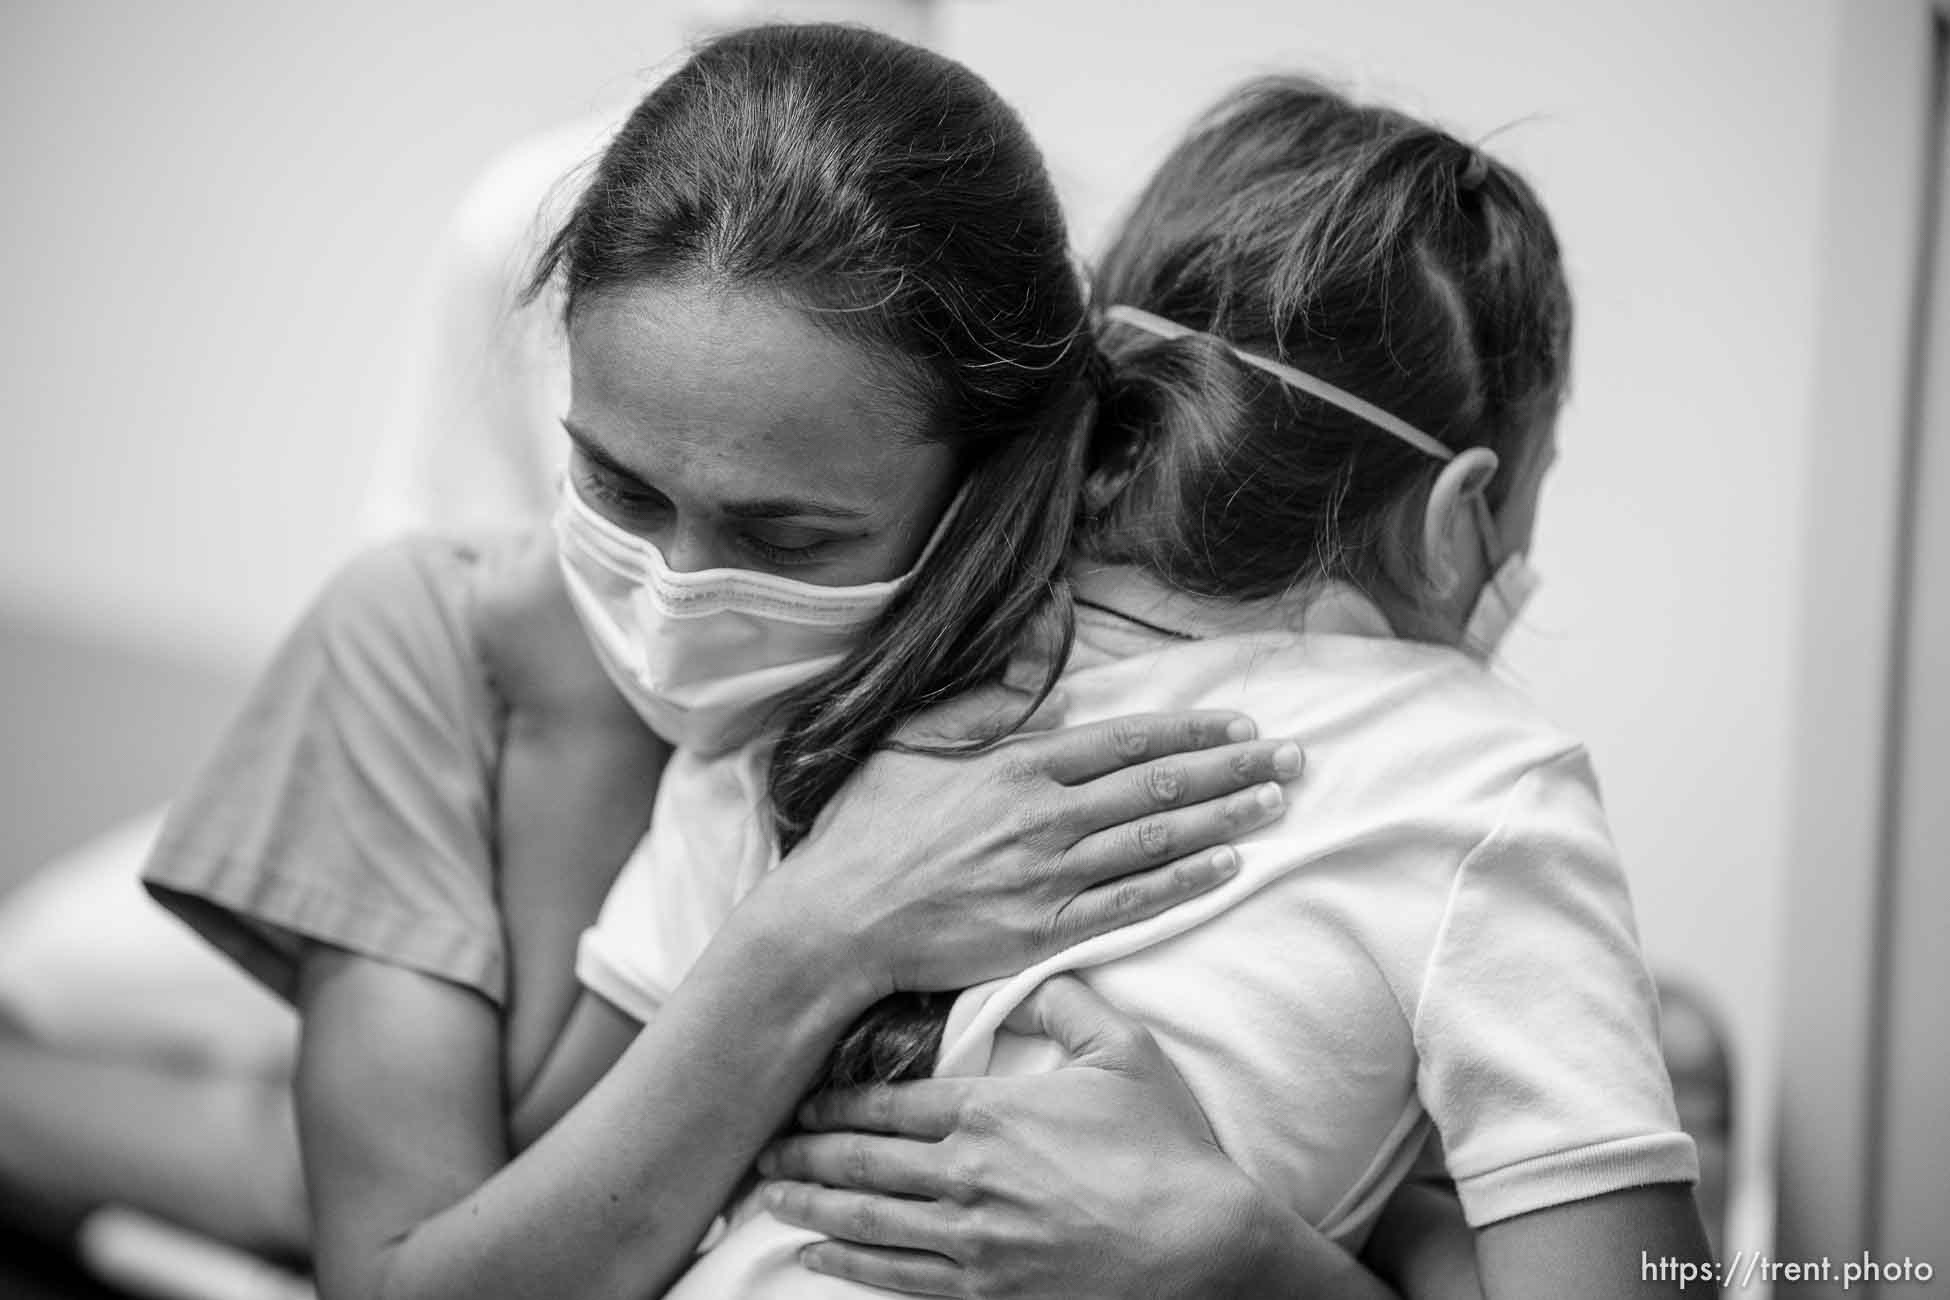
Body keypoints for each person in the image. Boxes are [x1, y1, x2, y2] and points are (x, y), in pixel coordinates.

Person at [143, 25, 1362, 1300]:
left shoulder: (1136, 698)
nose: (674, 584)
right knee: (257, 1137)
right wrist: (823, 927)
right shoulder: (423, 639)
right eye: (615, 484)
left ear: (988, 483)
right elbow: (402, 1269)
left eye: (788, 534)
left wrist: (1251, 1254)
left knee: (284, 1149)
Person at [550, 76, 1715, 1298]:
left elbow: (547, 1200)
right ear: (1456, 515)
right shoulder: (1483, 779)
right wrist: (1255, 1264)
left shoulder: (856, 671)